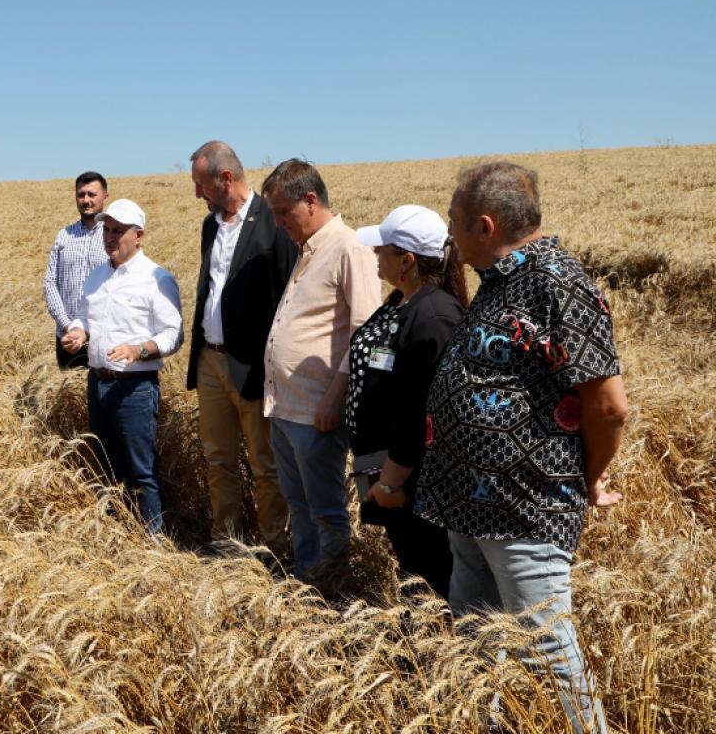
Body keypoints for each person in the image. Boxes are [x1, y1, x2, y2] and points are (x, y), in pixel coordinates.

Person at [415, 162, 628, 733]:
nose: (450, 238)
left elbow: (609, 406)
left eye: (455, 224)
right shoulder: (502, 281)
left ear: (484, 226)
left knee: (545, 647)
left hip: (525, 505)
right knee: (479, 637)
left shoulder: (557, 282)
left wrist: (591, 477)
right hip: (470, 501)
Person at [261, 158, 382, 585]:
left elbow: (365, 331)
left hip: (317, 411)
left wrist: (335, 396)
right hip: (286, 408)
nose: (277, 223)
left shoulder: (348, 248)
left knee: (327, 511)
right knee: (299, 505)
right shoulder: (307, 250)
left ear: (310, 201)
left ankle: (334, 591)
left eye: (282, 212)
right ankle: (307, 581)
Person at [346, 204, 468, 600]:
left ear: (407, 260)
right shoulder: (403, 301)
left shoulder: (434, 317)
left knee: (430, 571)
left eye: (382, 250)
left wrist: (392, 482)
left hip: (410, 480)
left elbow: (419, 413)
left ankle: (438, 655)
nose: (375, 256)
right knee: (412, 568)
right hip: (387, 468)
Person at [186, 140, 296, 562]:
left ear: (225, 178)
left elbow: (286, 294)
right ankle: (227, 545)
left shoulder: (272, 220)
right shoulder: (211, 226)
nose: (197, 193)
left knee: (265, 464)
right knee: (218, 460)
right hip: (212, 360)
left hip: (253, 365)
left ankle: (275, 549)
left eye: (201, 184)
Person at [61, 198, 183, 534]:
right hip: (97, 382)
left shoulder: (156, 278)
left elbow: (174, 334)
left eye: (118, 231)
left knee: (141, 471)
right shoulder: (97, 276)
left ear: (139, 234)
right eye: (107, 230)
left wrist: (140, 349)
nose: (110, 237)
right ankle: (120, 537)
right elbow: (85, 316)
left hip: (135, 388)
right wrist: (77, 331)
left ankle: (153, 541)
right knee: (109, 468)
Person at [43, 171, 110, 368]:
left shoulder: (114, 234)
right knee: (69, 396)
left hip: (103, 335)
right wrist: (67, 325)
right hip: (67, 338)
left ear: (105, 197)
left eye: (92, 194)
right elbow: (49, 283)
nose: (86, 200)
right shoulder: (64, 235)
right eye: (81, 195)